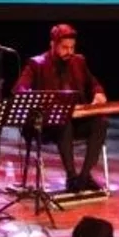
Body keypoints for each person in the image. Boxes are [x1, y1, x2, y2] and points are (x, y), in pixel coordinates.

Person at [13, 24, 108, 192]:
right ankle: (71, 177)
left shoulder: (78, 61)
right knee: (64, 122)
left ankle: (84, 177)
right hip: (48, 125)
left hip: (76, 121)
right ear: (53, 44)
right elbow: (20, 89)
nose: (69, 52)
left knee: (101, 122)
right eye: (65, 47)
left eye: (72, 47)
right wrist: (36, 101)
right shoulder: (37, 63)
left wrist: (98, 94)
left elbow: (94, 84)